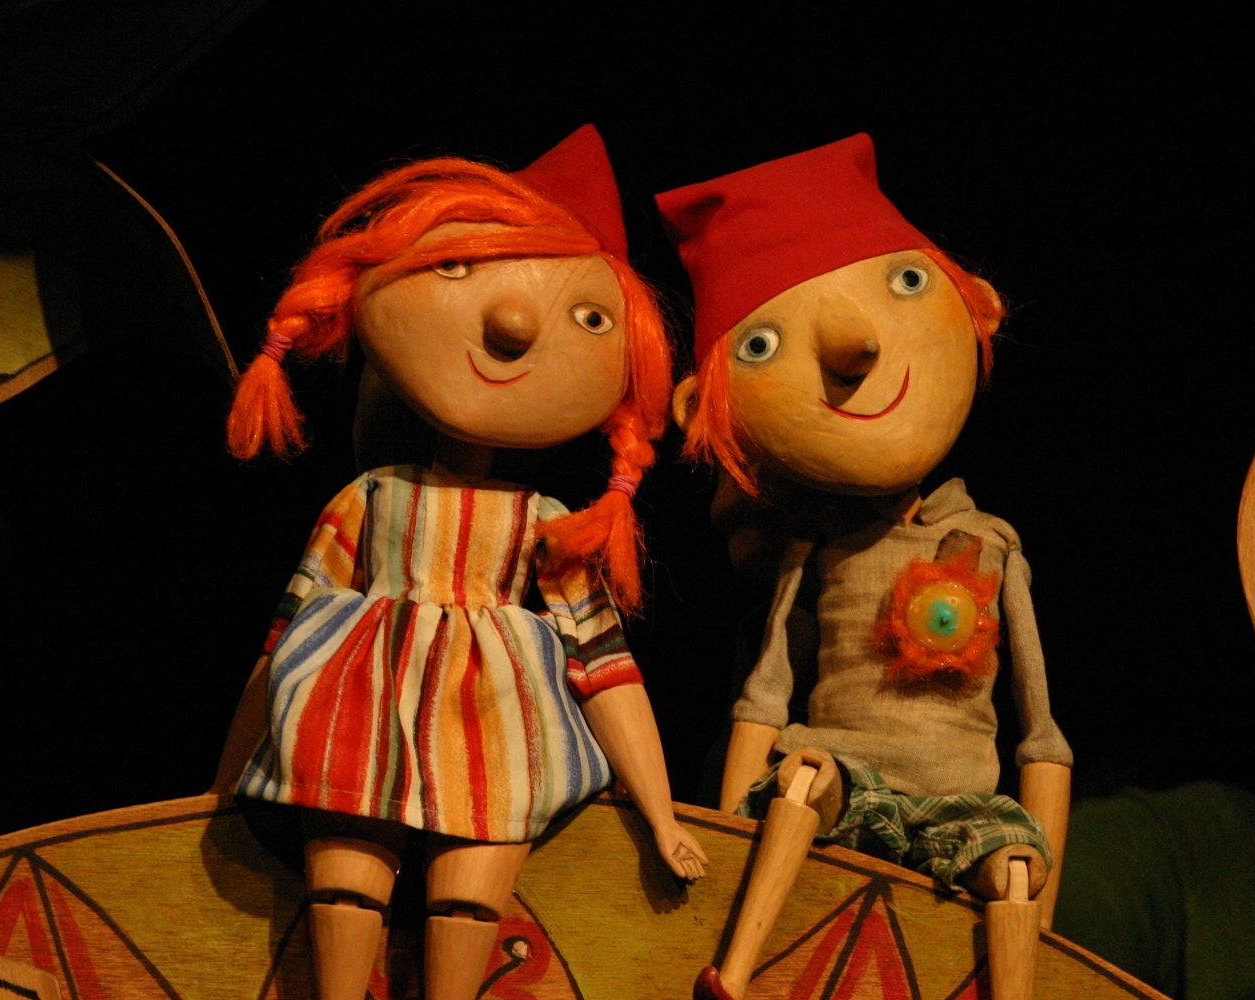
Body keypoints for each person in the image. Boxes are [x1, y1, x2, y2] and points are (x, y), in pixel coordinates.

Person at [220, 125, 706, 1000]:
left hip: (495, 728)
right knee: (345, 884)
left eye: (589, 318)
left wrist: (662, 816)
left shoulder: (546, 525)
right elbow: (282, 640)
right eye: (456, 268)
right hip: (356, 712)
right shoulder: (371, 499)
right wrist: (221, 791)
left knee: (469, 900)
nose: (514, 322)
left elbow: (606, 668)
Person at [656, 134, 1070, 1000]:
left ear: (980, 304)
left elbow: (1040, 730)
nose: (854, 344)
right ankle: (735, 963)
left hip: (962, 804)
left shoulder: (994, 546)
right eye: (762, 345)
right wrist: (729, 834)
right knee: (801, 777)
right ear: (703, 411)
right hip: (853, 777)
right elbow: (767, 694)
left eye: (907, 282)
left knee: (1013, 871)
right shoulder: (817, 549)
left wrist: (1047, 894)